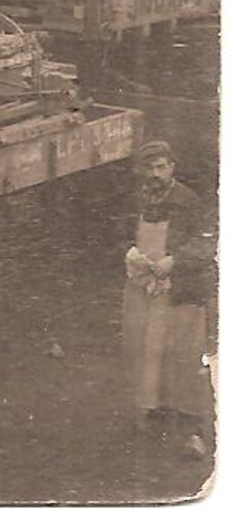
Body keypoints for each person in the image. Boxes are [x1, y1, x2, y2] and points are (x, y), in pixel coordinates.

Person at [121, 139, 214, 459]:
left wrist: (173, 261)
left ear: (172, 167)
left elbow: (206, 244)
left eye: (162, 166)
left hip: (179, 289)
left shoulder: (188, 201)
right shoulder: (139, 200)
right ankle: (156, 412)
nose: (156, 173)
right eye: (149, 167)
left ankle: (192, 426)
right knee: (147, 349)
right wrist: (131, 256)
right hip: (143, 287)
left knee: (185, 356)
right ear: (140, 172)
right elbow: (122, 235)